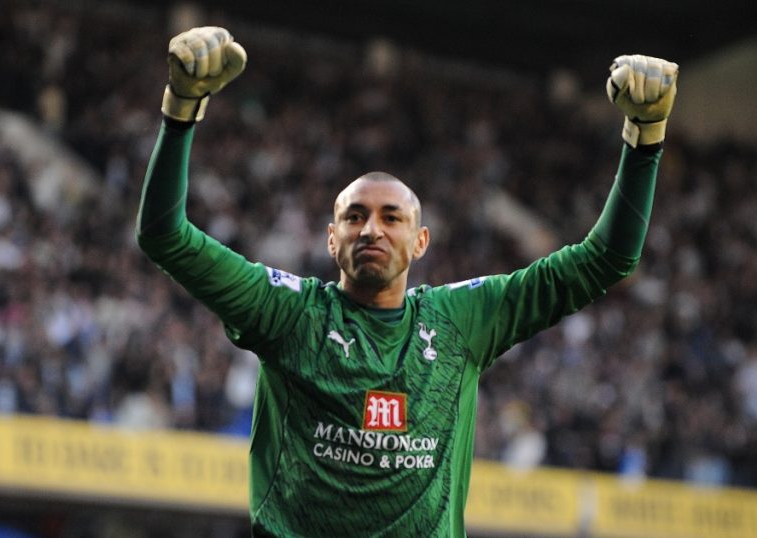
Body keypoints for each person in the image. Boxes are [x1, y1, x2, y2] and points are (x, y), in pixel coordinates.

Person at [136, 26, 678, 538]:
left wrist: (645, 138)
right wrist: (180, 109)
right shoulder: (290, 314)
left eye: (392, 218)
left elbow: (607, 258)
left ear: (420, 242)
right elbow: (165, 236)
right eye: (354, 217)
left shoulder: (462, 320)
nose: (372, 228)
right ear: (331, 239)